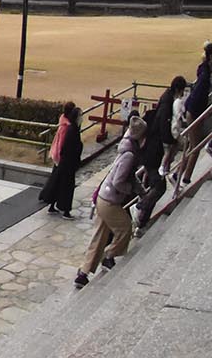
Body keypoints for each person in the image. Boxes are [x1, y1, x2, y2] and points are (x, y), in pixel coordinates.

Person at [77, 115, 146, 288]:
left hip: (103, 196)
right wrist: (130, 190)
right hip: (110, 199)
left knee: (99, 236)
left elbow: (128, 177)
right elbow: (119, 181)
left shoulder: (125, 149)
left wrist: (140, 190)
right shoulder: (130, 155)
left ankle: (83, 273)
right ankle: (108, 256)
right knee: (125, 228)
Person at [136, 77, 185, 229]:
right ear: (178, 89)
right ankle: (140, 207)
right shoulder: (166, 104)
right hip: (153, 151)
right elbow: (164, 128)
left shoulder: (166, 100)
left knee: (154, 186)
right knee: (158, 186)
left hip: (152, 151)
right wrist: (172, 141)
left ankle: (141, 221)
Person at [39, 103, 82, 218]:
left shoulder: (68, 126)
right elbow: (63, 146)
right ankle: (64, 209)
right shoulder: (69, 128)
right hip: (65, 161)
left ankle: (51, 204)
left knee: (57, 183)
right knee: (65, 186)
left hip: (62, 160)